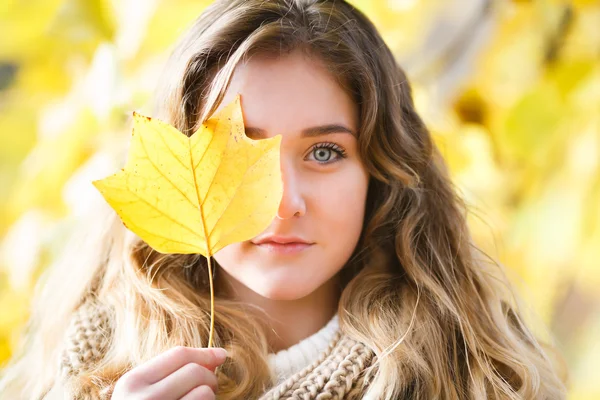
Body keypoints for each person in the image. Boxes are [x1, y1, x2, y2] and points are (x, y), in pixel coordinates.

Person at [0, 0, 568, 399]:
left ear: (382, 172)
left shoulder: (479, 380)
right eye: (242, 152)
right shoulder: (83, 373)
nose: (283, 203)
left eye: (323, 152)